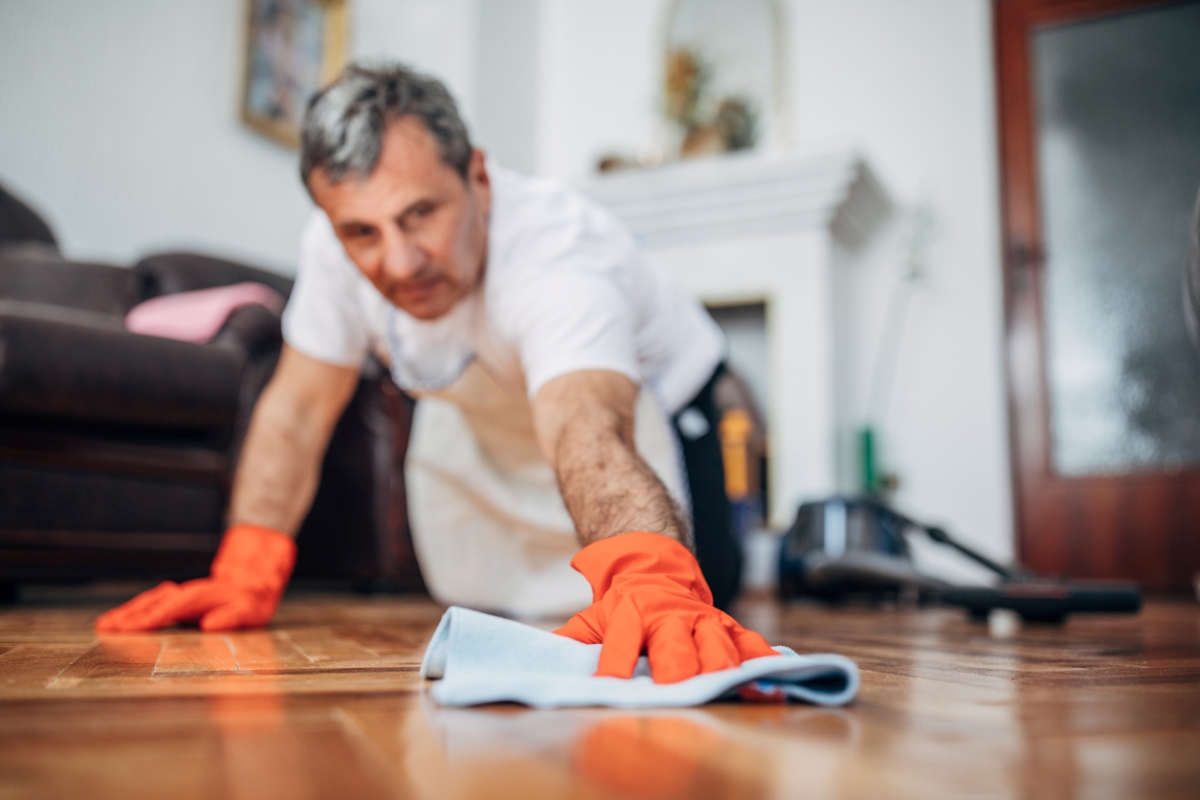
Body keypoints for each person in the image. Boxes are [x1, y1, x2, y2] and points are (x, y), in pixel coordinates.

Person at [95, 63, 777, 683]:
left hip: (654, 401)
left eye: (419, 215)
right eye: (361, 232)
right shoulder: (337, 252)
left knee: (700, 586)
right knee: (486, 597)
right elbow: (298, 407)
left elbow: (585, 421)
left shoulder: (558, 256)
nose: (397, 262)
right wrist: (248, 559)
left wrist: (648, 576)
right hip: (490, 408)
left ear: (478, 178)